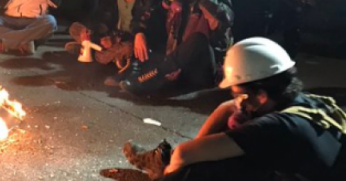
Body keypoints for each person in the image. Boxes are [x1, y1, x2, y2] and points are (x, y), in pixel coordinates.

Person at [123, 37, 346, 181]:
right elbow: (227, 107)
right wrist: (194, 151)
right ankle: (167, 161)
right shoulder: (305, 103)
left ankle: (166, 168)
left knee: (201, 172)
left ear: (261, 94)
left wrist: (177, 170)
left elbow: (184, 154)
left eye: (239, 93)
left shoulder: (276, 127)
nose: (236, 100)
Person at [118, 0, 233, 96]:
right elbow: (146, 18)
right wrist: (139, 32)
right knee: (144, 41)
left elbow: (226, 17)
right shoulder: (177, 4)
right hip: (177, 65)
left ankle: (147, 82)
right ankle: (138, 77)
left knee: (198, 39)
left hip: (203, 69)